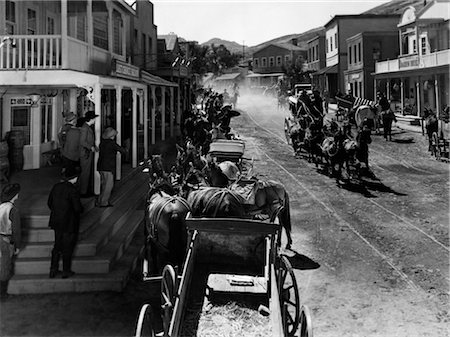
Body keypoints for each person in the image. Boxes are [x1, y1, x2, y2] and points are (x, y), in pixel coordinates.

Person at [48, 172, 84, 279]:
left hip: (56, 221)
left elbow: (49, 203)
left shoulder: (56, 187)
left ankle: (53, 269)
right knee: (67, 248)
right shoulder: (72, 190)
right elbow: (77, 208)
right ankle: (65, 271)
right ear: (75, 178)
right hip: (69, 223)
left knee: (57, 246)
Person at [0, 183, 21, 299]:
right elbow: (16, 231)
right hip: (5, 240)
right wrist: (17, 245)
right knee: (5, 266)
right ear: (14, 195)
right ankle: (2, 294)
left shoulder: (0, 206)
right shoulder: (13, 210)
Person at [96, 127, 126, 208]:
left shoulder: (102, 143)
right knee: (109, 186)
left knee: (103, 184)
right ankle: (104, 202)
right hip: (108, 166)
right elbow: (122, 151)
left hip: (100, 165)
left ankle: (99, 201)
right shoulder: (112, 143)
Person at [79, 111, 98, 197]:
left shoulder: (87, 127)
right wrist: (91, 147)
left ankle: (86, 189)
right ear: (91, 119)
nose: (95, 120)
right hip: (85, 153)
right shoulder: (85, 128)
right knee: (85, 172)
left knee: (88, 172)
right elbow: (82, 141)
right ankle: (83, 192)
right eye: (94, 118)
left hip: (88, 152)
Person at [59, 113, 80, 177]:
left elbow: (60, 138)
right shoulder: (71, 129)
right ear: (73, 120)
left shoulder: (63, 127)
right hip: (70, 152)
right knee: (70, 171)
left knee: (67, 168)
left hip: (64, 151)